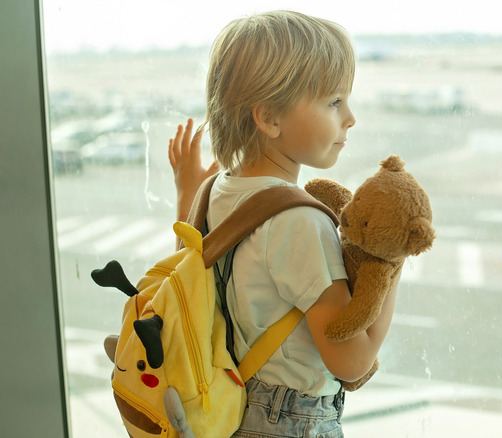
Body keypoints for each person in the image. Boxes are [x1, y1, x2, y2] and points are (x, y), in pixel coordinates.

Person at [167, 11, 396, 437]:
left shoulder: (216, 190)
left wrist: (187, 190)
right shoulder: (298, 221)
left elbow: (188, 256)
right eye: (334, 102)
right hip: (289, 421)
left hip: (230, 409)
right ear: (269, 118)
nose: (350, 117)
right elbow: (351, 361)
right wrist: (391, 261)